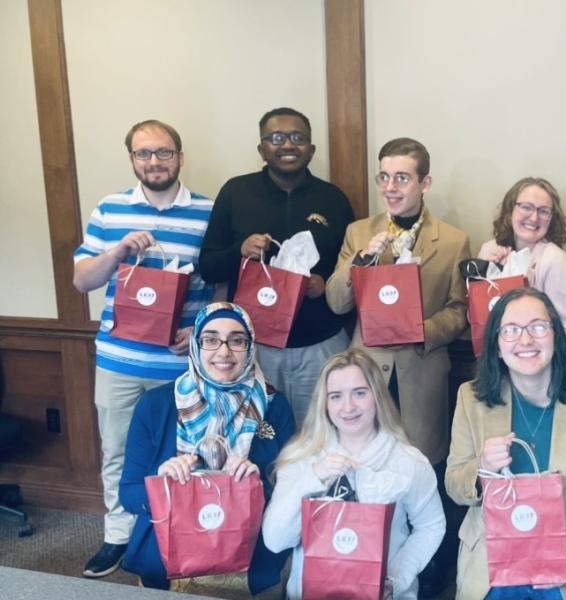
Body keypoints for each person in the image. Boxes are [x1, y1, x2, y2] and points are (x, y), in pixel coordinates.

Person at [325, 137, 469, 595]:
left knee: (423, 475)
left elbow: (461, 311)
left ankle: (426, 578)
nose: (390, 187)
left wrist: (421, 329)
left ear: (424, 182)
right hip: (365, 374)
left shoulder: (453, 240)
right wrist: (365, 259)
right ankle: (362, 568)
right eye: (383, 176)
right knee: (363, 470)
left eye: (401, 177)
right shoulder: (357, 232)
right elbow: (335, 300)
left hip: (421, 372)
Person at [72, 119, 215, 578]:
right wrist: (115, 254)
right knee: (116, 451)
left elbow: (223, 288)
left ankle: (178, 533)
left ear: (180, 156)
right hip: (119, 361)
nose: (154, 162)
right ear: (132, 159)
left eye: (163, 153)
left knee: (183, 454)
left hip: (180, 365)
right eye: (144, 154)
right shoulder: (110, 210)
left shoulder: (209, 213)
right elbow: (81, 280)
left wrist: (198, 337)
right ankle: (117, 535)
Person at [446, 287, 566, 600]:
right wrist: (482, 468)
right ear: (495, 345)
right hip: (491, 570)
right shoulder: (471, 399)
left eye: (538, 326)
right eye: (510, 330)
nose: (525, 340)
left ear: (556, 337)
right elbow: (455, 486)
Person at [118, 302, 295, 596]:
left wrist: (257, 484)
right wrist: (162, 485)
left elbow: (288, 496)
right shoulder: (157, 405)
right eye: (210, 339)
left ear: (250, 346)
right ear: (196, 346)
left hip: (250, 554)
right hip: (170, 551)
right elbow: (128, 494)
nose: (223, 351)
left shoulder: (274, 406)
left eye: (236, 340)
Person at [199, 107, 355, 426]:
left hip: (321, 343)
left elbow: (351, 275)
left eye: (297, 138)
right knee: (258, 437)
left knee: (323, 435)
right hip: (255, 345)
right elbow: (208, 267)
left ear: (311, 149)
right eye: (277, 138)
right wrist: (239, 251)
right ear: (261, 148)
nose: (287, 145)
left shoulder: (333, 199)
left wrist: (324, 284)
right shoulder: (235, 193)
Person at [262, 348, 445, 600]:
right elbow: (275, 540)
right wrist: (312, 479)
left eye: (359, 393)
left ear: (377, 396)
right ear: (324, 403)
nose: (348, 407)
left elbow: (431, 525)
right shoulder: (302, 458)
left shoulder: (408, 461)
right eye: (335, 396)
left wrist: (397, 576)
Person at [478, 177, 566, 362]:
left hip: (541, 369)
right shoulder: (488, 250)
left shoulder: (557, 261)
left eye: (543, 211)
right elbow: (477, 317)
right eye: (526, 207)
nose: (534, 217)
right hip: (495, 364)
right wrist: (492, 273)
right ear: (510, 211)